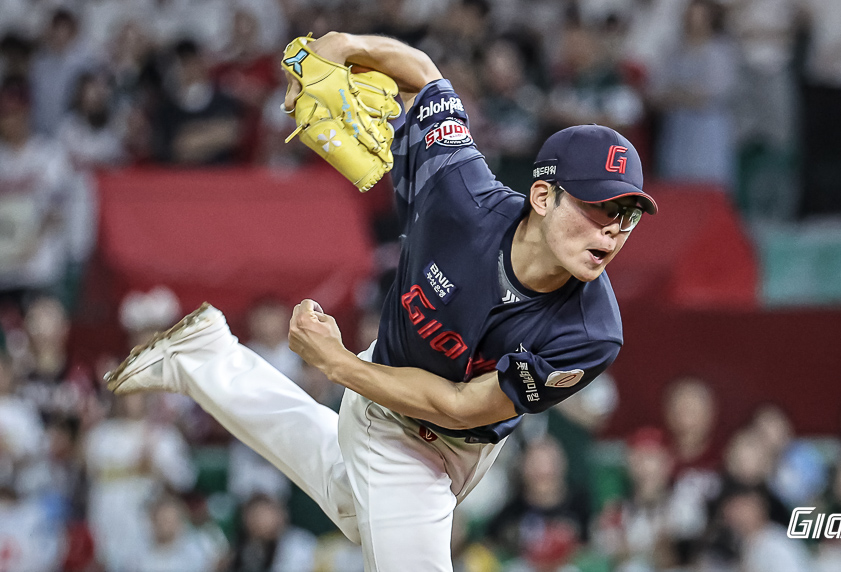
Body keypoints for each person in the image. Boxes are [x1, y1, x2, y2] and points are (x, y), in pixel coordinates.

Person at [104, 31, 657, 571]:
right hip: (391, 413)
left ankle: (204, 360)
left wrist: (336, 364)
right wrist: (340, 46)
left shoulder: (593, 331)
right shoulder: (461, 194)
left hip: (464, 440)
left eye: (626, 216)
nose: (613, 232)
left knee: (350, 499)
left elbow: (463, 406)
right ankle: (204, 362)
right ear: (543, 195)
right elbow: (426, 76)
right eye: (598, 208)